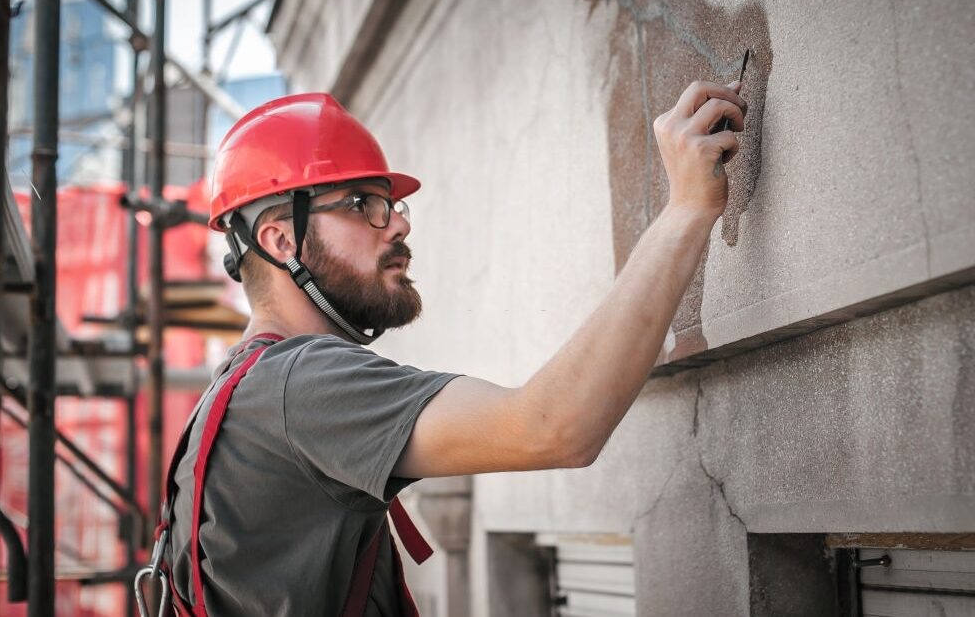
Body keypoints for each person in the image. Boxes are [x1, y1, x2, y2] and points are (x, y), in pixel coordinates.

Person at [158, 82, 746, 616]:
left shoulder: (237, 393)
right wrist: (687, 208)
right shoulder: (302, 385)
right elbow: (554, 427)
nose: (398, 225)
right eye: (362, 204)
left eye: (389, 203)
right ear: (282, 239)